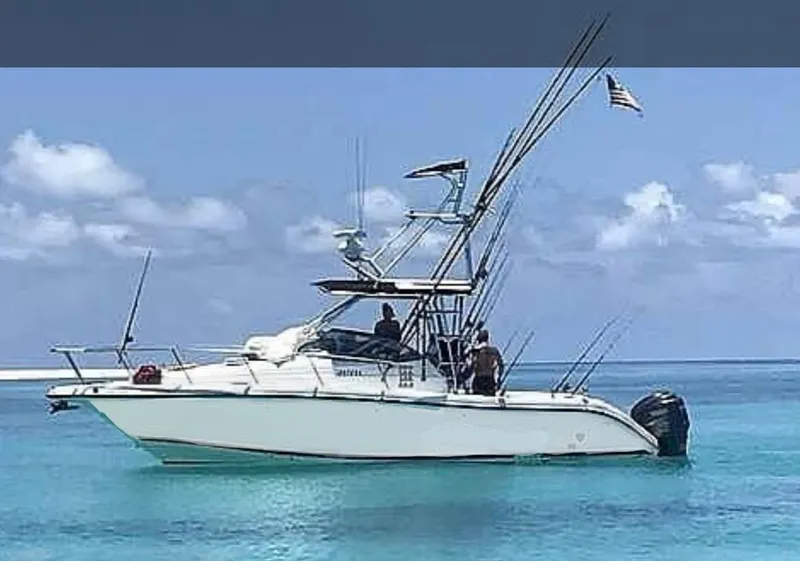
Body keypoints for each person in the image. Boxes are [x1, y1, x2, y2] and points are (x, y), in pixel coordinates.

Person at [468, 328, 504, 396]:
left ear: (478, 339)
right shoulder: (494, 351)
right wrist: (498, 380)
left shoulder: (475, 351)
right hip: (490, 380)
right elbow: (501, 366)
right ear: (487, 339)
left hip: (478, 380)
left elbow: (471, 367)